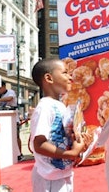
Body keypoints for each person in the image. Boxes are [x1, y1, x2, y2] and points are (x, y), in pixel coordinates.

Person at [30, 58, 90, 192]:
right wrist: (71, 153)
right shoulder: (45, 107)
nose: (70, 77)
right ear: (49, 78)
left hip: (62, 173)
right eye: (65, 73)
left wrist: (79, 143)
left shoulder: (61, 106)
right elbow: (38, 144)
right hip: (49, 177)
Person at [0, 81, 24, 161]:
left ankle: (20, 153)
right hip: (4, 118)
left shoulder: (10, 92)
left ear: (4, 86)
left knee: (16, 136)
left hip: (14, 117)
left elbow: (10, 98)